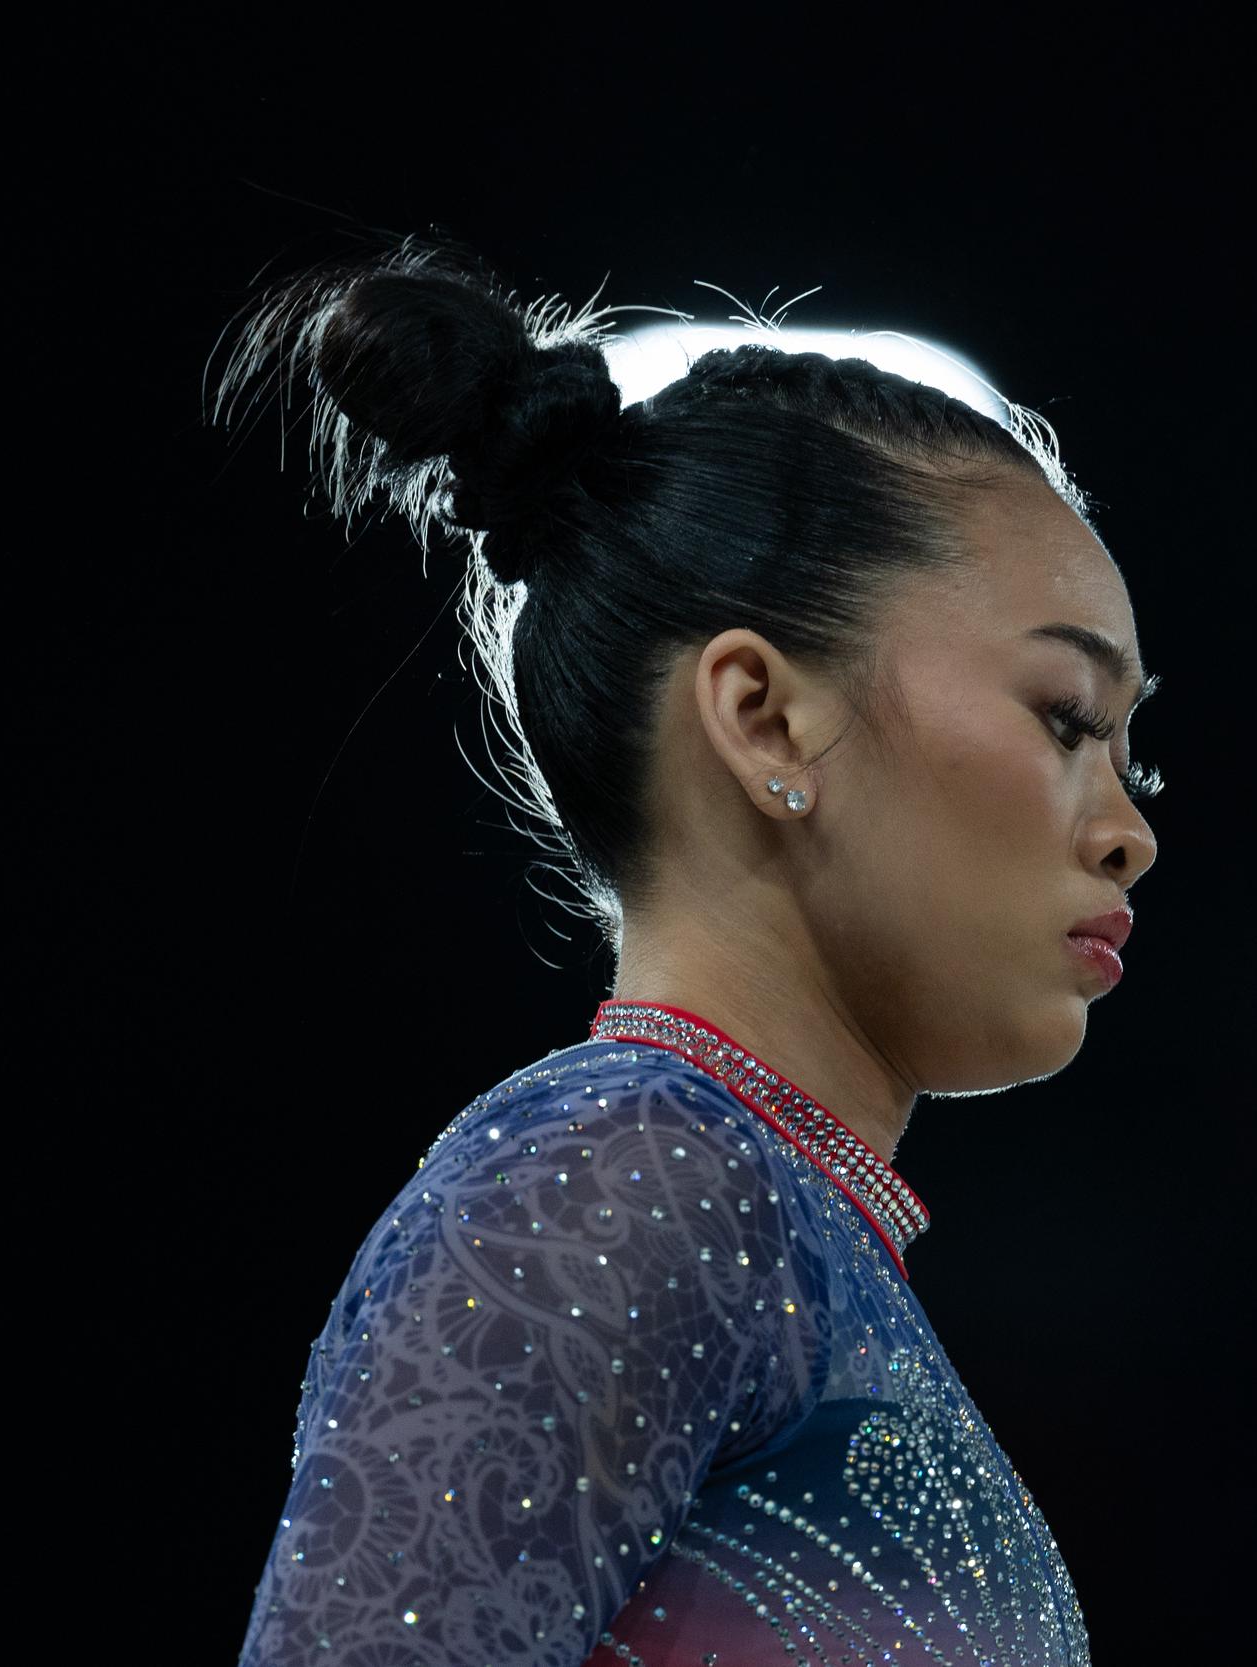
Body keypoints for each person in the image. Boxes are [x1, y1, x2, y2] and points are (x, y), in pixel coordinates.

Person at [208, 231, 1160, 1665]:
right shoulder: (627, 1176)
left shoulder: (762, 1215)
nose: (1126, 830)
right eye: (1067, 720)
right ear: (765, 718)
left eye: (1134, 754)